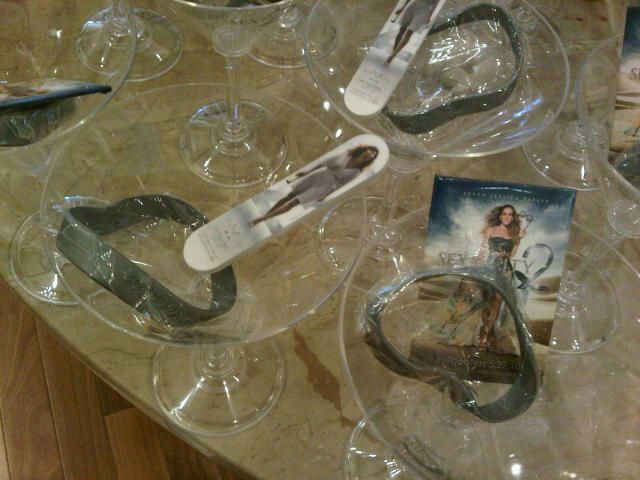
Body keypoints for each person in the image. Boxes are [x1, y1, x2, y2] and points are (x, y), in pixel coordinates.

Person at [249, 145, 379, 226]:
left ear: (371, 159)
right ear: (365, 150)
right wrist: (307, 172)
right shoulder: (346, 154)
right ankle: (265, 216)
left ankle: (260, 220)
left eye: (373, 155)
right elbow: (325, 162)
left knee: (293, 203)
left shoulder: (356, 172)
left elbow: (341, 185)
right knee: (289, 196)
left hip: (325, 186)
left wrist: (326, 195)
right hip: (319, 175)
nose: (370, 154)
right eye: (371, 151)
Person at [477, 205, 527, 348]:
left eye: (510, 214)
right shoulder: (491, 230)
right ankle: (486, 331)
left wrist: (519, 239)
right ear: (500, 216)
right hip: (490, 267)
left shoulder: (514, 234)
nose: (507, 217)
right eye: (504, 214)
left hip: (505, 269)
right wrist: (479, 263)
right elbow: (482, 249)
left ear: (513, 217)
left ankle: (485, 335)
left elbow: (511, 255)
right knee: (487, 301)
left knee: (497, 300)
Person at [385, 0, 438, 65]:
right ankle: (393, 52)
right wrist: (402, 7)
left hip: (424, 11)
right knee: (401, 30)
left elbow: (434, 5)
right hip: (413, 6)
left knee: (409, 33)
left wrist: (429, 17)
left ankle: (391, 57)